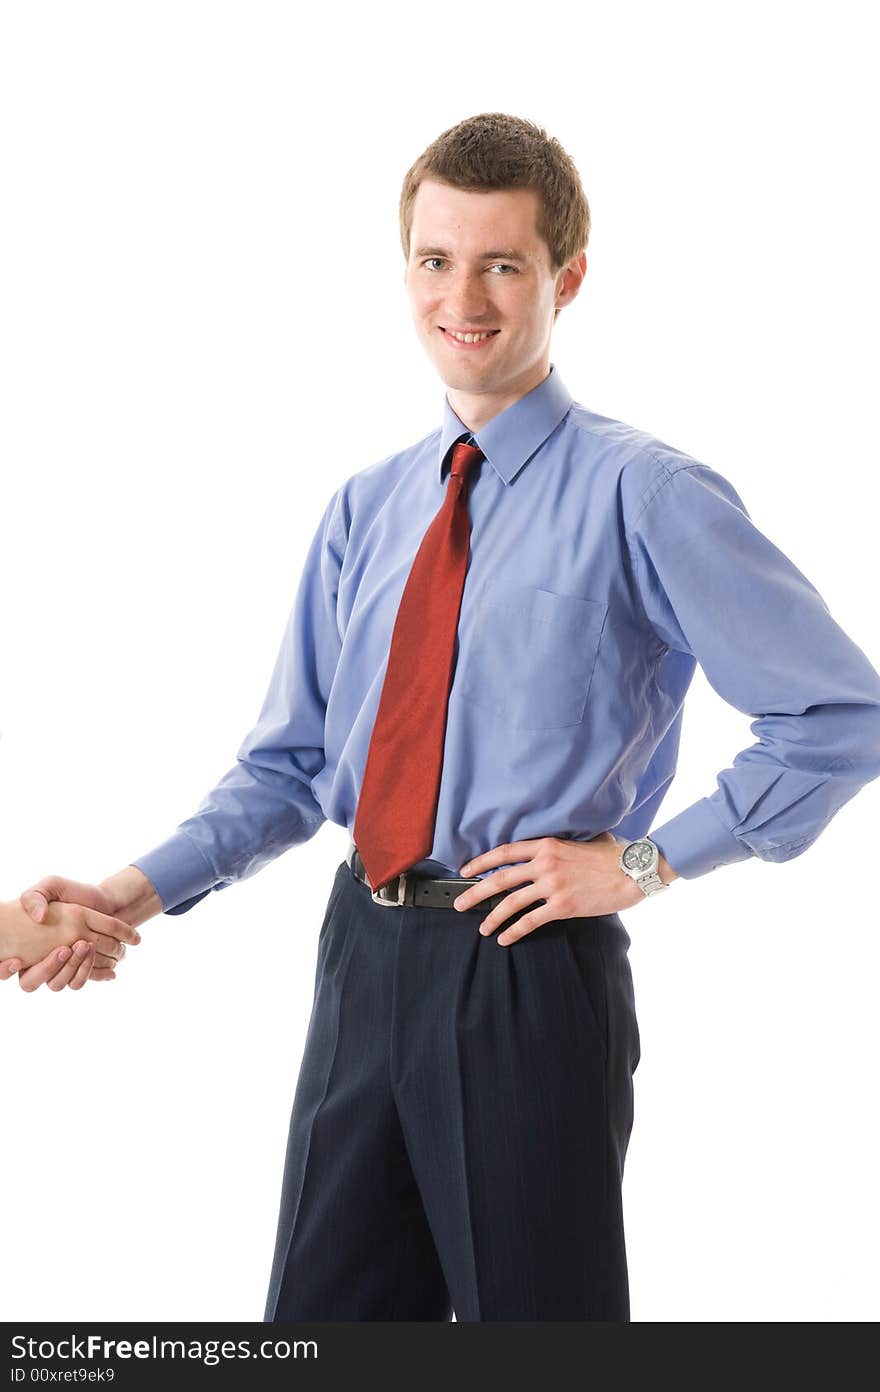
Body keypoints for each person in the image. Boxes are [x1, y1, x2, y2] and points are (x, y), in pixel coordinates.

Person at [5, 111, 880, 1319]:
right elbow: (294, 767)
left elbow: (838, 714)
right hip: (360, 958)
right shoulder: (368, 508)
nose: (461, 296)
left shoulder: (647, 494)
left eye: (500, 264)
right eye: (434, 260)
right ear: (405, 269)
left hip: (523, 967)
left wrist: (642, 863)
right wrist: (126, 896)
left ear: (564, 279)